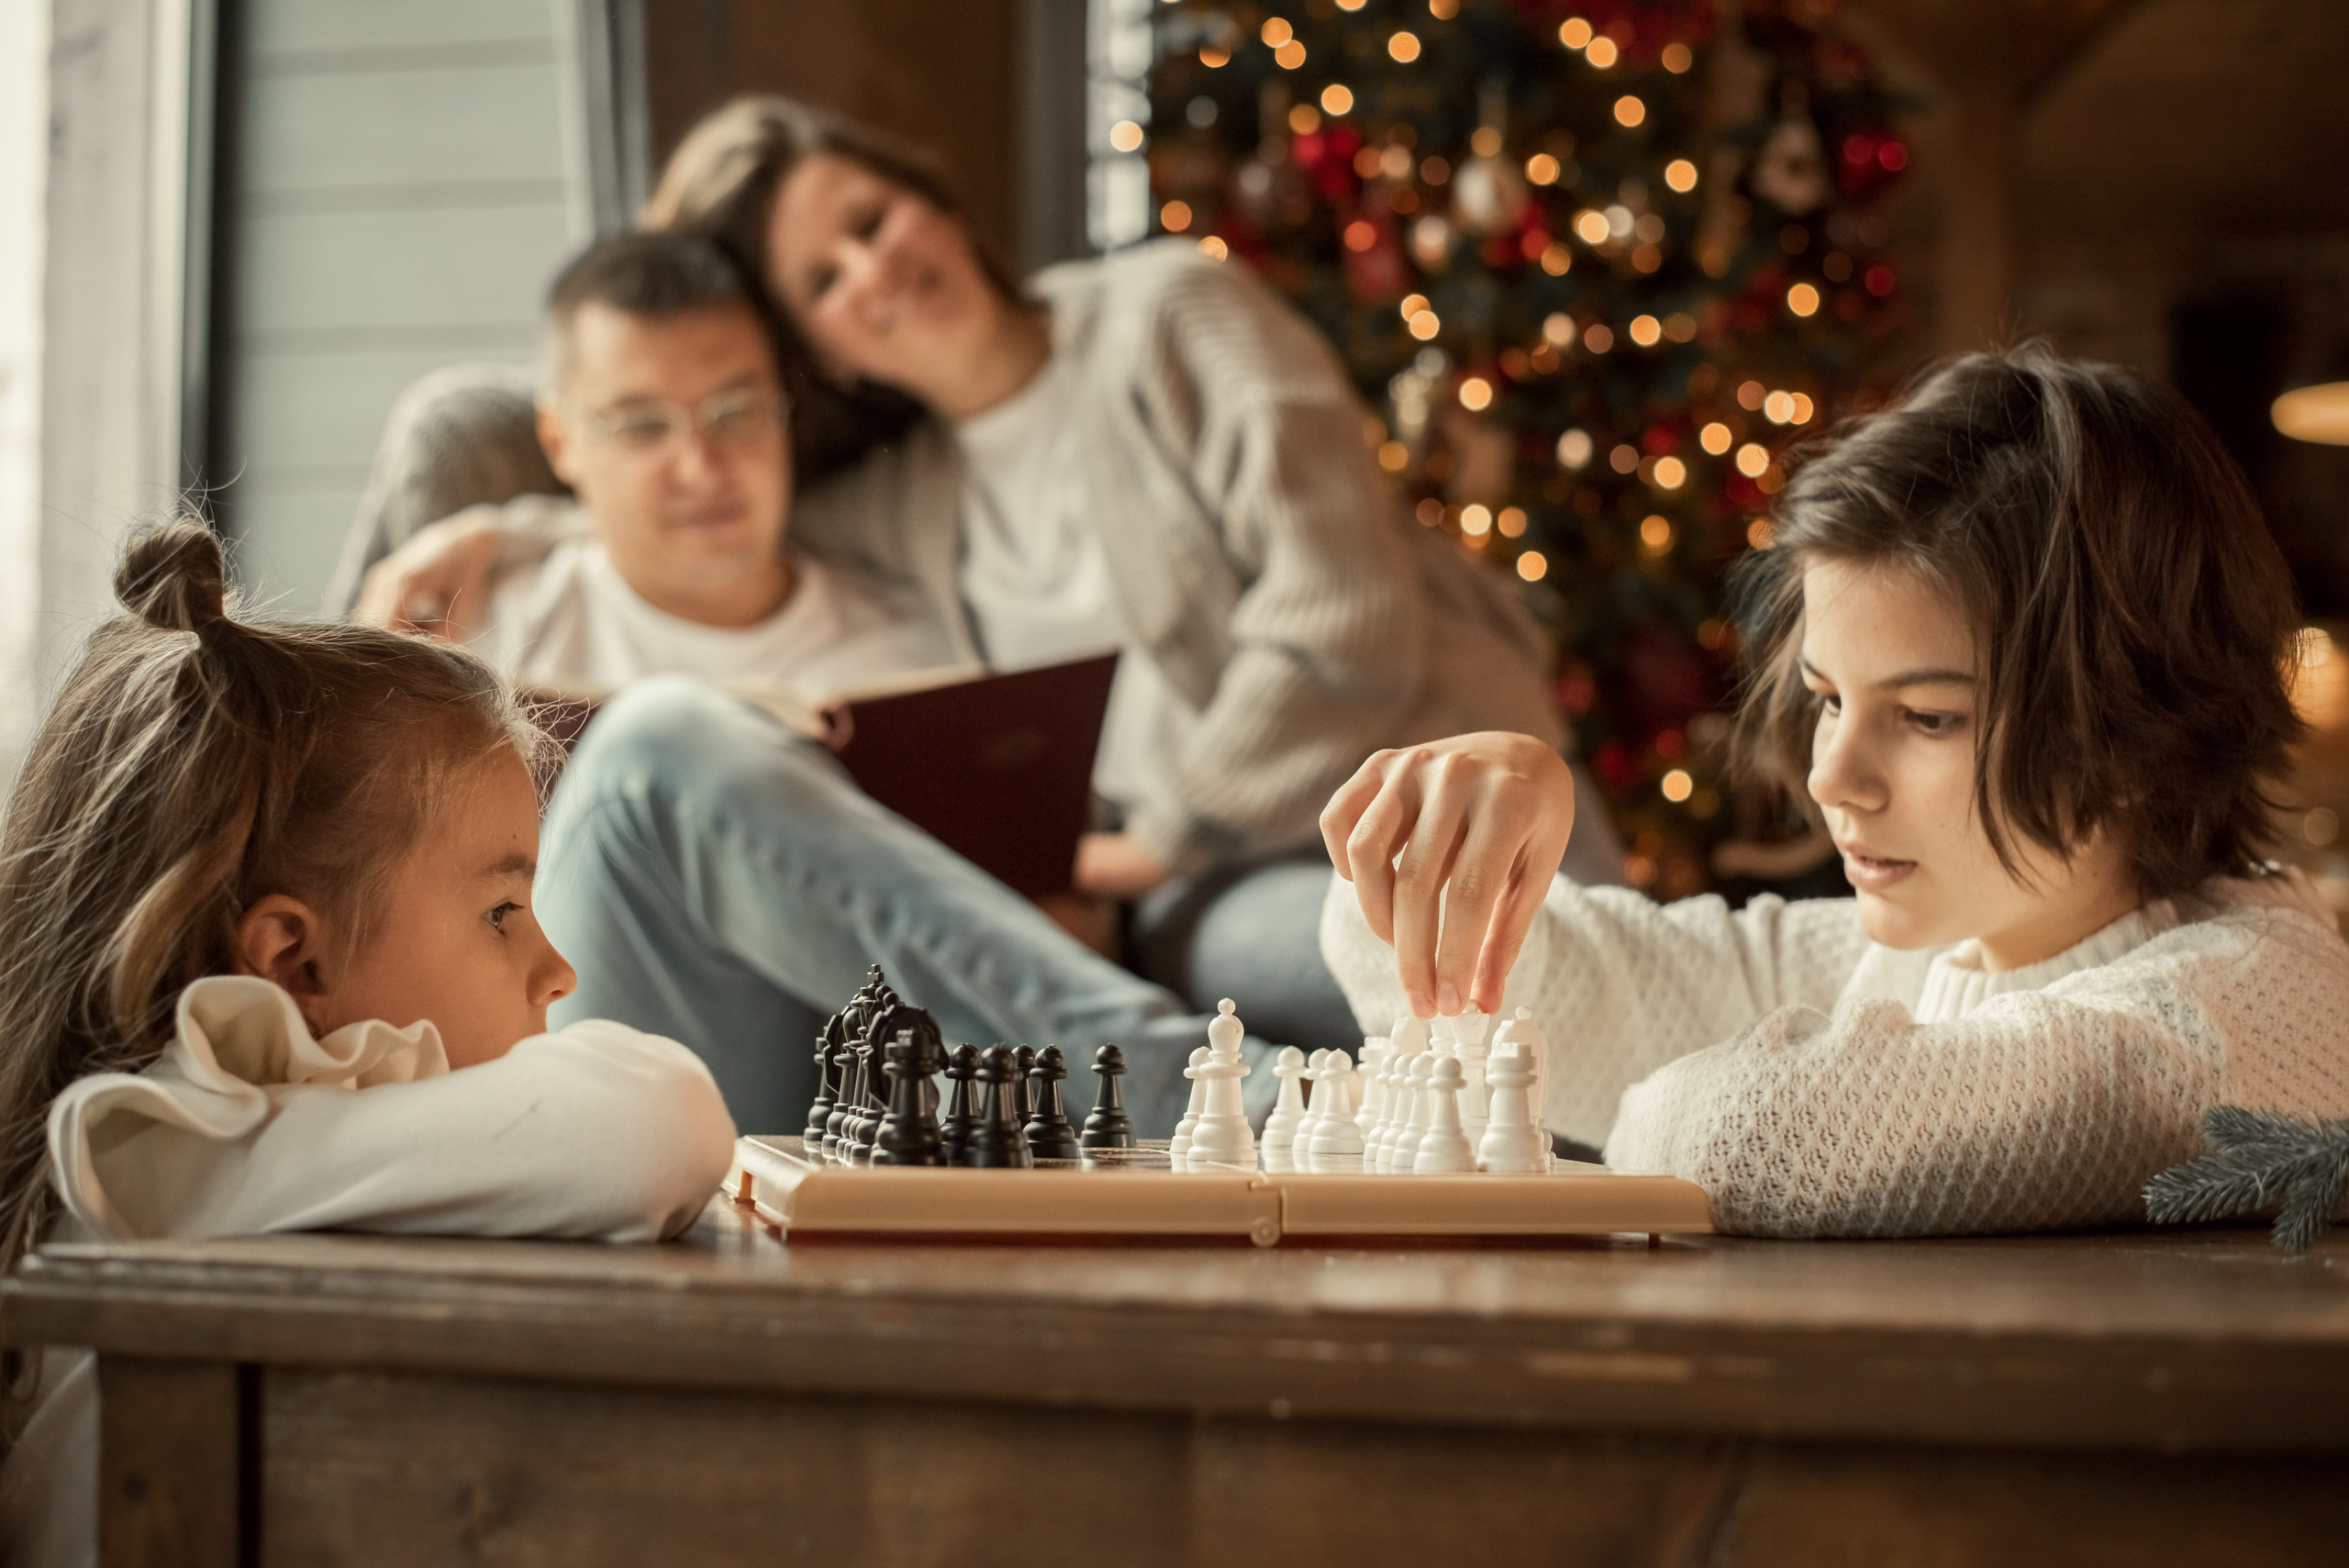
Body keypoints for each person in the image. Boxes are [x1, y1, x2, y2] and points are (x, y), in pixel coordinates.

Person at [353, 96, 1621, 1108]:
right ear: (823, 351)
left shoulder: (1167, 312)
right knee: (1301, 972)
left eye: (874, 215)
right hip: (1177, 901)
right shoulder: (902, 499)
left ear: (931, 201)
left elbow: (1340, 618)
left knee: (1445, 983)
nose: (877, 265)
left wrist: (1156, 840)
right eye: (827, 277)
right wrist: (504, 525)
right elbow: (693, 499)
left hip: (1389, 809)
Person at [1318, 346, 2349, 1237]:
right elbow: (1492, 991)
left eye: (1928, 716)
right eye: (1826, 698)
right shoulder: (1915, 950)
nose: (1828, 778)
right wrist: (1464, 809)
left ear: (2136, 733)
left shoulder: (2260, 999)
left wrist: (1617, 1114)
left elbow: (1749, 1135)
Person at [0, 521, 737, 1567]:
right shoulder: (184, 1147)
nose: (558, 968)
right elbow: (662, 1119)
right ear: (294, 964)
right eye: (500, 912)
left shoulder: (245, 1140)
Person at [457, 228, 956, 699]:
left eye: (735, 413)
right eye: (644, 426)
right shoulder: (477, 654)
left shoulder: (916, 658)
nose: (701, 469)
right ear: (561, 441)